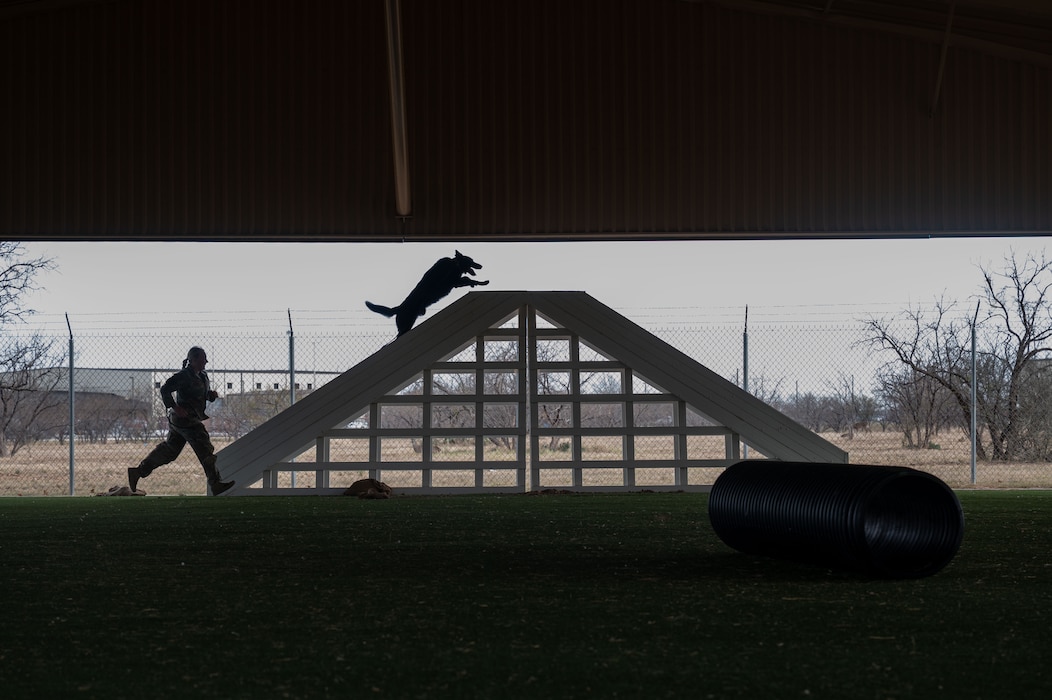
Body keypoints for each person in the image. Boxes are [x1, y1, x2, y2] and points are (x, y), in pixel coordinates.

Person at [128, 346, 234, 496]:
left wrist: (210, 395)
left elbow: (200, 394)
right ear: (193, 360)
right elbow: (165, 389)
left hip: (185, 420)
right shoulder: (184, 376)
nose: (206, 362)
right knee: (204, 446)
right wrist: (175, 407)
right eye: (203, 359)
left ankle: (138, 471)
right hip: (185, 420)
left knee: (170, 451)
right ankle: (215, 483)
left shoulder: (202, 376)